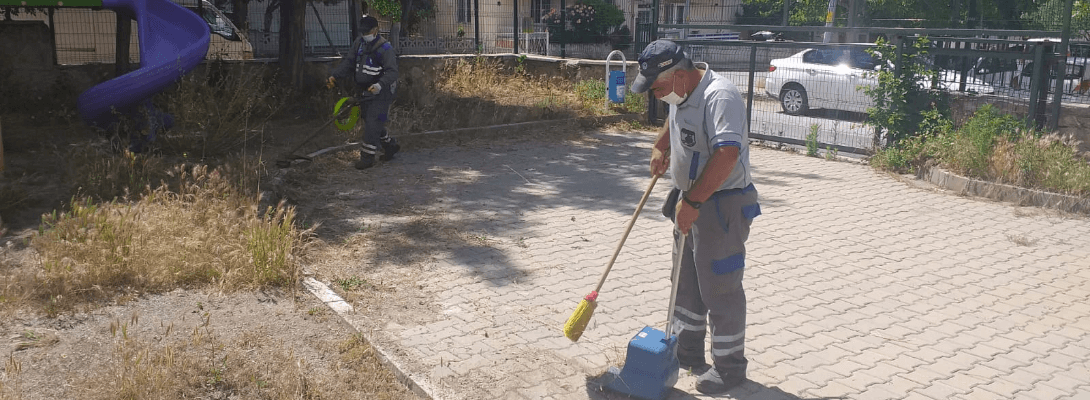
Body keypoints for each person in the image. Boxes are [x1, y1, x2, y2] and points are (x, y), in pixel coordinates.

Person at [630, 39, 761, 395]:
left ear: (681, 77)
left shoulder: (721, 96)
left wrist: (693, 203)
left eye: (657, 87)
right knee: (685, 282)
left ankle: (730, 370)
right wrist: (661, 147)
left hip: (722, 206)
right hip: (691, 200)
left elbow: (727, 155)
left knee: (720, 289)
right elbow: (676, 124)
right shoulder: (680, 93)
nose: (654, 96)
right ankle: (686, 352)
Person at [327, 15, 400, 170]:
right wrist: (335, 75)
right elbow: (348, 62)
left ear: (375, 30)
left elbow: (392, 72)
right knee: (370, 120)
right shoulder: (359, 43)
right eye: (362, 32)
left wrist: (380, 85)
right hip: (365, 90)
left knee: (373, 122)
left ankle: (367, 158)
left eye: (367, 31)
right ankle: (390, 145)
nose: (364, 34)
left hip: (383, 91)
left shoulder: (386, 48)